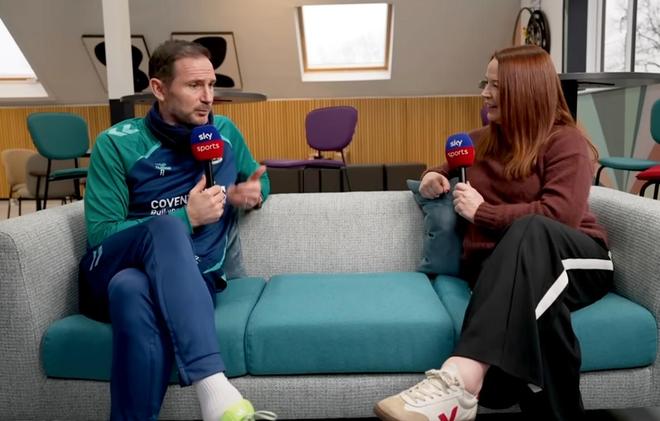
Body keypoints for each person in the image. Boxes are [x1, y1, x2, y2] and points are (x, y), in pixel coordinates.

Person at [374, 45, 614, 421]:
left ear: (525, 90)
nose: (485, 93)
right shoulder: (477, 143)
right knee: (543, 318)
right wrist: (431, 177)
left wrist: (482, 212)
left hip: (576, 260)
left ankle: (463, 376)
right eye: (485, 83)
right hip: (513, 273)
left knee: (532, 229)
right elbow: (438, 170)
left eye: (496, 85)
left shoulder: (564, 141)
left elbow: (561, 216)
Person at [79, 40, 276, 421]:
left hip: (188, 280)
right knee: (166, 227)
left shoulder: (223, 132)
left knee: (131, 289)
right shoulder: (117, 143)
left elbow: (258, 180)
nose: (208, 98)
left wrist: (250, 194)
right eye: (194, 86)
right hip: (114, 264)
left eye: (211, 85)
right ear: (159, 88)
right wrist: (188, 217)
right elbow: (102, 234)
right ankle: (213, 387)